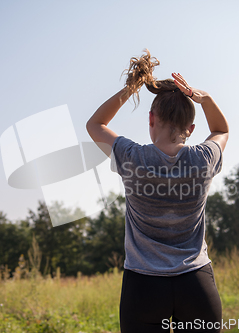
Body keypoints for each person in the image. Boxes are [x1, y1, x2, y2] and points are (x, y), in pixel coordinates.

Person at [86, 49, 229, 333]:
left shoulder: (131, 157)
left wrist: (132, 88)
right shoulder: (203, 159)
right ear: (190, 128)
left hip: (143, 287)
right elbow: (221, 130)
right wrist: (207, 100)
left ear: (151, 120)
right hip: (196, 284)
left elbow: (95, 125)